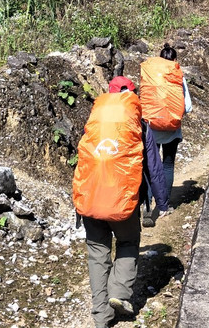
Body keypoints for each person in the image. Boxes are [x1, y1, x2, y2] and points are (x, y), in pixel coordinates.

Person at [73, 75, 170, 328]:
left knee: (97, 254)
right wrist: (162, 200)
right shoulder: (139, 124)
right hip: (123, 200)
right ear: (132, 95)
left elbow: (84, 161)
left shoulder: (94, 122)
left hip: (91, 198)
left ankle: (101, 315)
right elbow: (153, 166)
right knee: (127, 242)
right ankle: (118, 291)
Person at [141, 43, 192, 227]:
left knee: (149, 166)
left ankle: (147, 207)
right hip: (171, 128)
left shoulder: (149, 75)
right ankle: (165, 204)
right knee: (167, 165)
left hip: (151, 129)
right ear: (174, 60)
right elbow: (188, 107)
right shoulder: (179, 77)